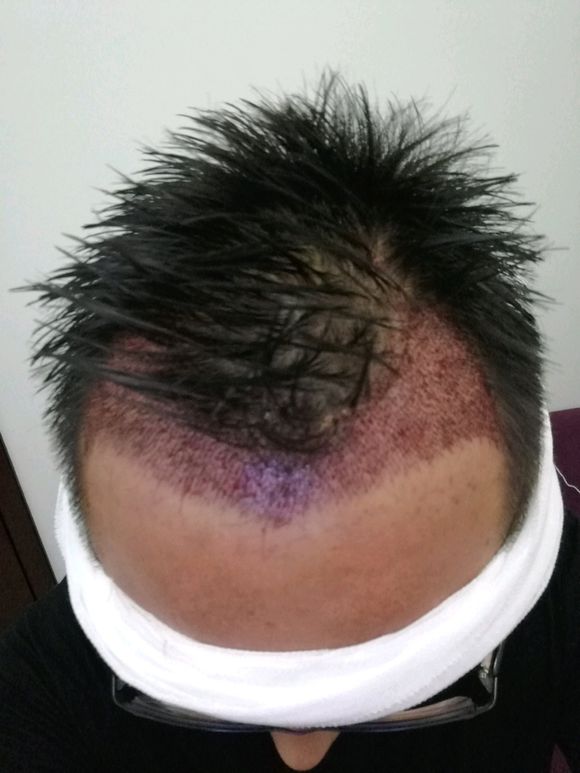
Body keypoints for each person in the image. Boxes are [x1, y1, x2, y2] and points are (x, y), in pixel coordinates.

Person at [1, 70, 578, 773]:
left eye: (399, 680)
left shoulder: (561, 607)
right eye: (196, 679)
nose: (299, 758)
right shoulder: (42, 685)